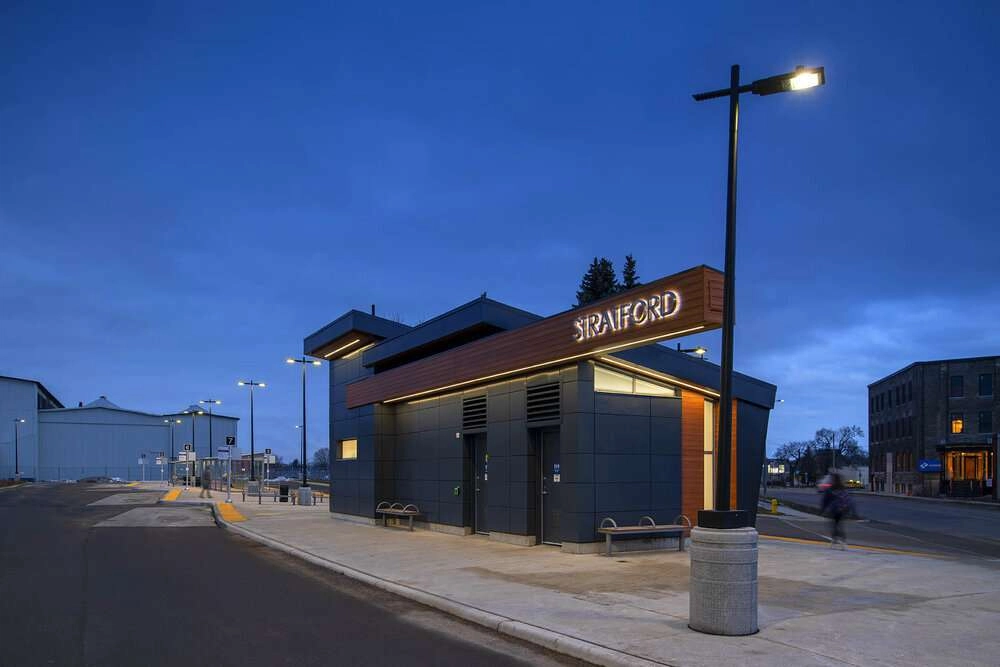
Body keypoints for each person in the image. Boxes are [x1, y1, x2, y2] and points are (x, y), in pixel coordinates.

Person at [821, 472, 853, 549]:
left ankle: (834, 540)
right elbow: (848, 500)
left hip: (834, 510)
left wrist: (823, 509)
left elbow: (825, 500)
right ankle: (842, 542)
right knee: (839, 525)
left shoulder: (830, 489)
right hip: (842, 510)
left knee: (835, 525)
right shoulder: (842, 488)